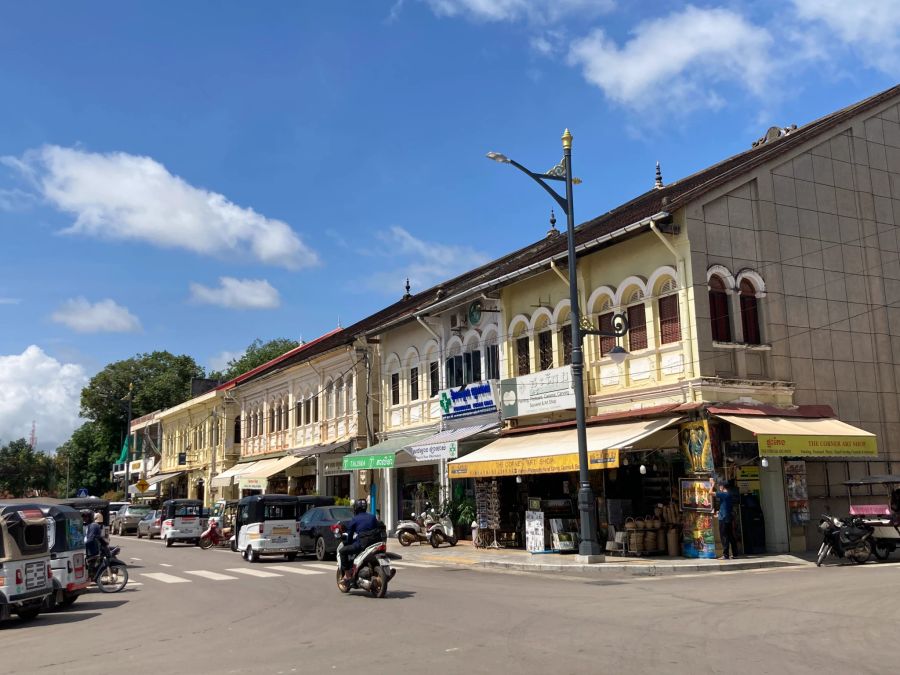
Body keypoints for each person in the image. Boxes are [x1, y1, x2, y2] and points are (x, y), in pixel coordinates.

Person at [341, 499, 379, 581]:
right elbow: (377, 528)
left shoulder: (355, 519)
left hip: (362, 544)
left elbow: (350, 535)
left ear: (356, 508)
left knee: (342, 551)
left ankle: (347, 574)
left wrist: (348, 542)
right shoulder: (372, 517)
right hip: (375, 543)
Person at [714, 479, 739, 559]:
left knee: (724, 536)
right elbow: (725, 506)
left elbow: (710, 493)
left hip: (723, 518)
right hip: (728, 517)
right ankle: (735, 554)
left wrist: (711, 485)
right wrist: (719, 512)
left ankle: (726, 555)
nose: (719, 488)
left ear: (722, 486)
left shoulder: (724, 494)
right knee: (730, 536)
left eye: (719, 486)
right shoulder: (729, 494)